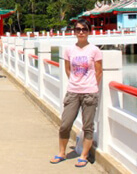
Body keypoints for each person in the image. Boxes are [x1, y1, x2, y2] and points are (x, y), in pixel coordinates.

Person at [50, 19, 102, 168]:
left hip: (89, 93)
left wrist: (90, 85)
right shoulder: (69, 50)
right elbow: (68, 69)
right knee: (65, 124)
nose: (81, 32)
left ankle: (84, 155)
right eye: (78, 29)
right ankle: (62, 152)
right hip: (73, 91)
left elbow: (98, 72)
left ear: (89, 31)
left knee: (88, 126)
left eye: (84, 29)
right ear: (74, 32)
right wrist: (76, 81)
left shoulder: (94, 50)